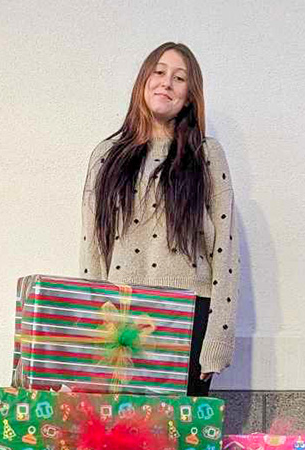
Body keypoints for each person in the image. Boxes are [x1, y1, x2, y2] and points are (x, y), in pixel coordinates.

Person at [80, 41, 239, 395]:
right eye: (159, 72)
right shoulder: (106, 156)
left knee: (182, 430)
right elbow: (91, 250)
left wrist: (218, 339)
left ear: (190, 96)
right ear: (144, 81)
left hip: (188, 318)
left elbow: (226, 251)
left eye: (179, 78)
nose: (167, 82)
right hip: (122, 320)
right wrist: (93, 325)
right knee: (120, 429)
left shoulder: (207, 155)